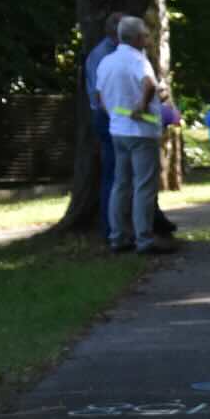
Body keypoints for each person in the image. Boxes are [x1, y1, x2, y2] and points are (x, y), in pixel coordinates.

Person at [93, 14, 178, 256]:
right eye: (146, 35)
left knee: (120, 184)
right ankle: (144, 239)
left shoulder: (106, 62)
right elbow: (149, 84)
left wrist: (113, 112)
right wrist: (141, 105)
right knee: (144, 185)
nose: (148, 39)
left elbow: (99, 96)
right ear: (138, 37)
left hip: (117, 131)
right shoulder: (138, 59)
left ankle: (118, 236)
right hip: (141, 132)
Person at [84, 13, 122, 249]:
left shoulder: (109, 53)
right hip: (109, 118)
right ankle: (110, 229)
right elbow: (99, 96)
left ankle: (117, 227)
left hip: (112, 117)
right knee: (113, 174)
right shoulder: (103, 55)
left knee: (117, 174)